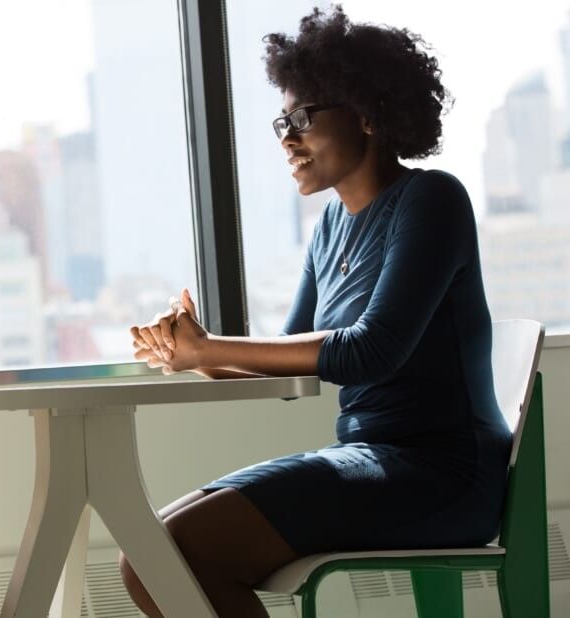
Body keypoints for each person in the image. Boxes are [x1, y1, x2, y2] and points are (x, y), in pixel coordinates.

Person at [123, 7, 512, 617]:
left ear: (366, 112)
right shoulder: (330, 226)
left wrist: (211, 346)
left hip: (442, 474)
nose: (286, 137)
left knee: (175, 552)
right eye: (283, 119)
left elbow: (369, 350)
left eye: (303, 116)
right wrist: (188, 356)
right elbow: (290, 370)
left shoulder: (432, 200)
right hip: (367, 460)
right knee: (145, 557)